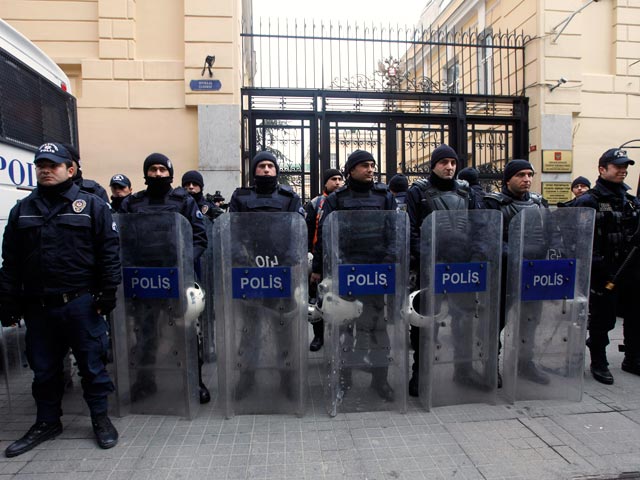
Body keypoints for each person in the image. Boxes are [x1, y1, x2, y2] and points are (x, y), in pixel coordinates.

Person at [0, 142, 121, 456]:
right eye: (41, 165)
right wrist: (8, 300)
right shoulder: (22, 209)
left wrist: (108, 291)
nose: (45, 170)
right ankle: (47, 421)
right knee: (44, 369)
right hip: (38, 306)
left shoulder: (92, 206)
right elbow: (10, 261)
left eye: (52, 165)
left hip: (80, 303)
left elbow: (109, 253)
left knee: (92, 367)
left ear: (70, 169)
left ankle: (100, 418)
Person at [120, 153, 210, 403]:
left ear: (170, 173)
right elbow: (122, 240)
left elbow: (199, 238)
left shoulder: (184, 202)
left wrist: (183, 263)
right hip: (144, 280)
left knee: (188, 332)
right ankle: (144, 381)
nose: (158, 174)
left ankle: (195, 382)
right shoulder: (132, 203)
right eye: (153, 169)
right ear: (146, 173)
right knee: (145, 334)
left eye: (162, 169)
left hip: (176, 279)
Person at [310, 149, 397, 401]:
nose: (371, 169)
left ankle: (380, 379)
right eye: (364, 165)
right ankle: (344, 378)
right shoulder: (336, 199)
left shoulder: (384, 196)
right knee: (344, 328)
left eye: (372, 165)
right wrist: (319, 268)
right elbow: (325, 235)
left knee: (377, 327)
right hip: (346, 272)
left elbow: (395, 231)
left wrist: (389, 260)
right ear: (351, 170)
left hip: (376, 272)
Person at [228, 151, 305, 399]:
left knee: (283, 329)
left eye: (271, 165)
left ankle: (287, 378)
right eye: (261, 165)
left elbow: (297, 231)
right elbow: (232, 231)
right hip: (250, 273)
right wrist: (241, 258)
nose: (266, 169)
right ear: (254, 170)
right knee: (249, 329)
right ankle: (246, 377)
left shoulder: (289, 198)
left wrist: (289, 260)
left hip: (281, 274)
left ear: (276, 170)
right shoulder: (241, 197)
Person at [405, 145, 477, 397]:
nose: (449, 167)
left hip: (461, 268)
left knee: (464, 321)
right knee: (426, 322)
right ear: (433, 165)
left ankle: (464, 370)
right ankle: (421, 372)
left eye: (453, 162)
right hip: (430, 267)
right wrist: (425, 255)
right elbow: (411, 229)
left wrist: (474, 254)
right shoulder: (418, 192)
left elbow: (478, 224)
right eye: (444, 162)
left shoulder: (466, 191)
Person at [574, 148, 640, 384]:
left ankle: (632, 358)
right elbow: (576, 239)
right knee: (603, 320)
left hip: (631, 270)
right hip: (603, 272)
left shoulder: (630, 201)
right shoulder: (587, 201)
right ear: (602, 169)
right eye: (618, 166)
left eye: (625, 167)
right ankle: (599, 361)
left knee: (635, 315)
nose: (623, 171)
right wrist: (597, 265)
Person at [483, 159, 551, 387]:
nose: (527, 179)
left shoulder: (539, 203)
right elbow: (489, 238)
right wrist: (514, 255)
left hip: (533, 274)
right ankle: (490, 365)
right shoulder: (493, 203)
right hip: (504, 274)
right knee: (495, 322)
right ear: (508, 179)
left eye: (530, 175)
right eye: (521, 175)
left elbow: (550, 234)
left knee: (529, 321)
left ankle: (525, 363)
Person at [305, 168, 344, 352]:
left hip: (341, 258)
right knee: (318, 298)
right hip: (319, 257)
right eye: (333, 179)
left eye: (340, 179)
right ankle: (318, 335)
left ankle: (340, 336)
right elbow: (309, 231)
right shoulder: (315, 203)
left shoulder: (345, 200)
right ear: (325, 183)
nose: (337, 182)